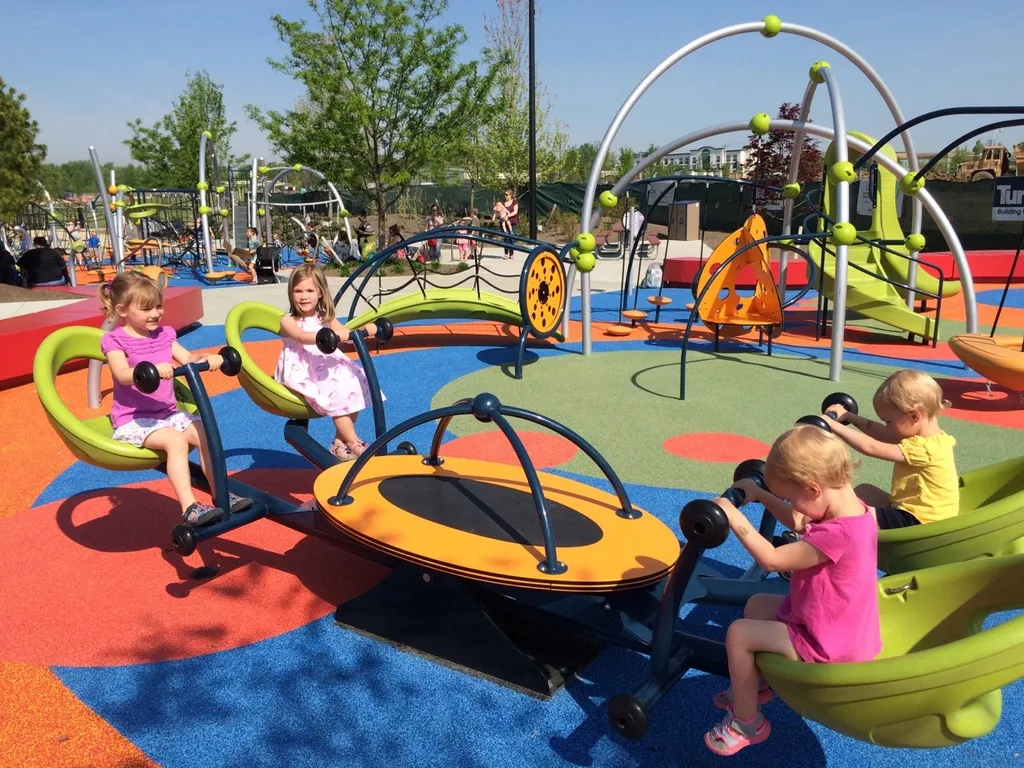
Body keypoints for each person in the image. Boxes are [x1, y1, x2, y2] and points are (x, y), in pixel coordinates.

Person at [705, 425, 881, 756]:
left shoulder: (838, 534)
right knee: (757, 605)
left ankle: (747, 723)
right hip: (836, 625)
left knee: (739, 634)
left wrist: (732, 517)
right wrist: (762, 496)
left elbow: (772, 559)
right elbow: (801, 522)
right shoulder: (852, 508)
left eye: (791, 498)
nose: (791, 506)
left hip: (830, 646)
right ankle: (758, 685)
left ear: (814, 489)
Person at [99, 272, 234, 527]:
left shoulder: (164, 335)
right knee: (176, 441)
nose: (155, 313)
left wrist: (208, 357)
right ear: (122, 310)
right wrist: (149, 370)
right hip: (135, 419)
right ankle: (190, 507)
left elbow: (188, 359)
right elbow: (121, 373)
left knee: (204, 432)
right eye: (146, 308)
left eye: (158, 306)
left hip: (167, 413)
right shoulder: (115, 340)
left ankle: (222, 495)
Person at [274, 263, 383, 461]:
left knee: (356, 380)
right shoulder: (288, 320)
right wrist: (327, 334)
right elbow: (300, 336)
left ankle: (339, 443)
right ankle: (353, 442)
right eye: (298, 291)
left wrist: (365, 331)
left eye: (309, 290)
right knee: (336, 391)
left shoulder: (326, 316)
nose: (303, 296)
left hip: (325, 363)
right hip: (302, 368)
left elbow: (346, 334)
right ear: (291, 293)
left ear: (321, 293)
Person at [824, 369, 958, 529]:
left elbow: (871, 447)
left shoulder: (924, 449)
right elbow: (882, 433)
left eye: (888, 421)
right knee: (864, 492)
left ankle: (812, 537)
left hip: (919, 522)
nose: (887, 426)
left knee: (851, 511)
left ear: (914, 416)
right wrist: (849, 417)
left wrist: (831, 424)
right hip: (915, 511)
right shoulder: (930, 438)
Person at [500, 189, 519, 258]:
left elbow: (515, 211)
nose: (505, 196)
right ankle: (506, 253)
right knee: (506, 238)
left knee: (511, 237)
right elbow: (499, 210)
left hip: (512, 222)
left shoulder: (514, 202)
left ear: (510, 195)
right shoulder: (502, 202)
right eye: (504, 194)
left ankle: (511, 254)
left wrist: (507, 216)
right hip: (504, 222)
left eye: (507, 194)